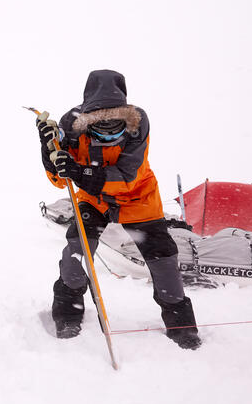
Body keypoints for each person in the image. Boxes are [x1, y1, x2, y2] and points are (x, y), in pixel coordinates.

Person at [36, 69, 201, 350]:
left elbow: (127, 175)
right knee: (77, 250)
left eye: (115, 125)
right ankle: (67, 312)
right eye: (100, 127)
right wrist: (50, 152)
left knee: (164, 261)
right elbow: (60, 180)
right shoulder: (70, 125)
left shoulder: (139, 122)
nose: (109, 131)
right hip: (93, 198)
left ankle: (181, 325)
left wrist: (80, 171)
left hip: (138, 198)